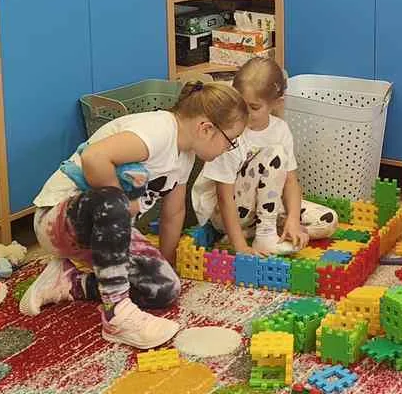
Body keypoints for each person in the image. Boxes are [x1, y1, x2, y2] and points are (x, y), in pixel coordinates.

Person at [18, 81, 247, 348]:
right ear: (206, 128)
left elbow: (174, 213)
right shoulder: (158, 131)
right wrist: (121, 205)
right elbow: (94, 157)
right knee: (114, 201)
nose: (228, 149)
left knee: (164, 288)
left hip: (106, 230)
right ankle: (117, 316)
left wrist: (166, 263)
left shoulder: (185, 156)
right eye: (230, 141)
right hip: (58, 220)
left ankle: (69, 282)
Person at [192, 58, 339, 255]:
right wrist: (240, 247)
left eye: (254, 107)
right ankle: (260, 236)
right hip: (230, 211)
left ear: (276, 103)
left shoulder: (281, 129)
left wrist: (293, 220)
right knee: (274, 153)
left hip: (266, 208)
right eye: (241, 104)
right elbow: (224, 196)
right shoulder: (229, 132)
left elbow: (290, 181)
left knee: (328, 220)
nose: (245, 113)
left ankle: (261, 232)